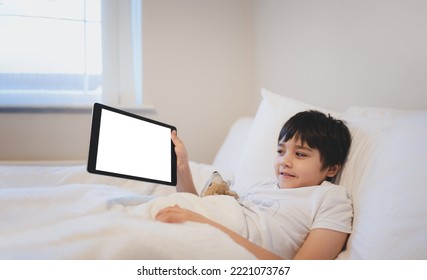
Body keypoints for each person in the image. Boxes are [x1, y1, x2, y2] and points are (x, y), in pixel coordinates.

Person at [155, 110, 353, 260]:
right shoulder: (264, 185)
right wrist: (182, 167)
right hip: (200, 223)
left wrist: (203, 222)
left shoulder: (331, 198)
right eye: (280, 151)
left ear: (332, 168)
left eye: (300, 154)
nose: (285, 161)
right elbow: (202, 208)